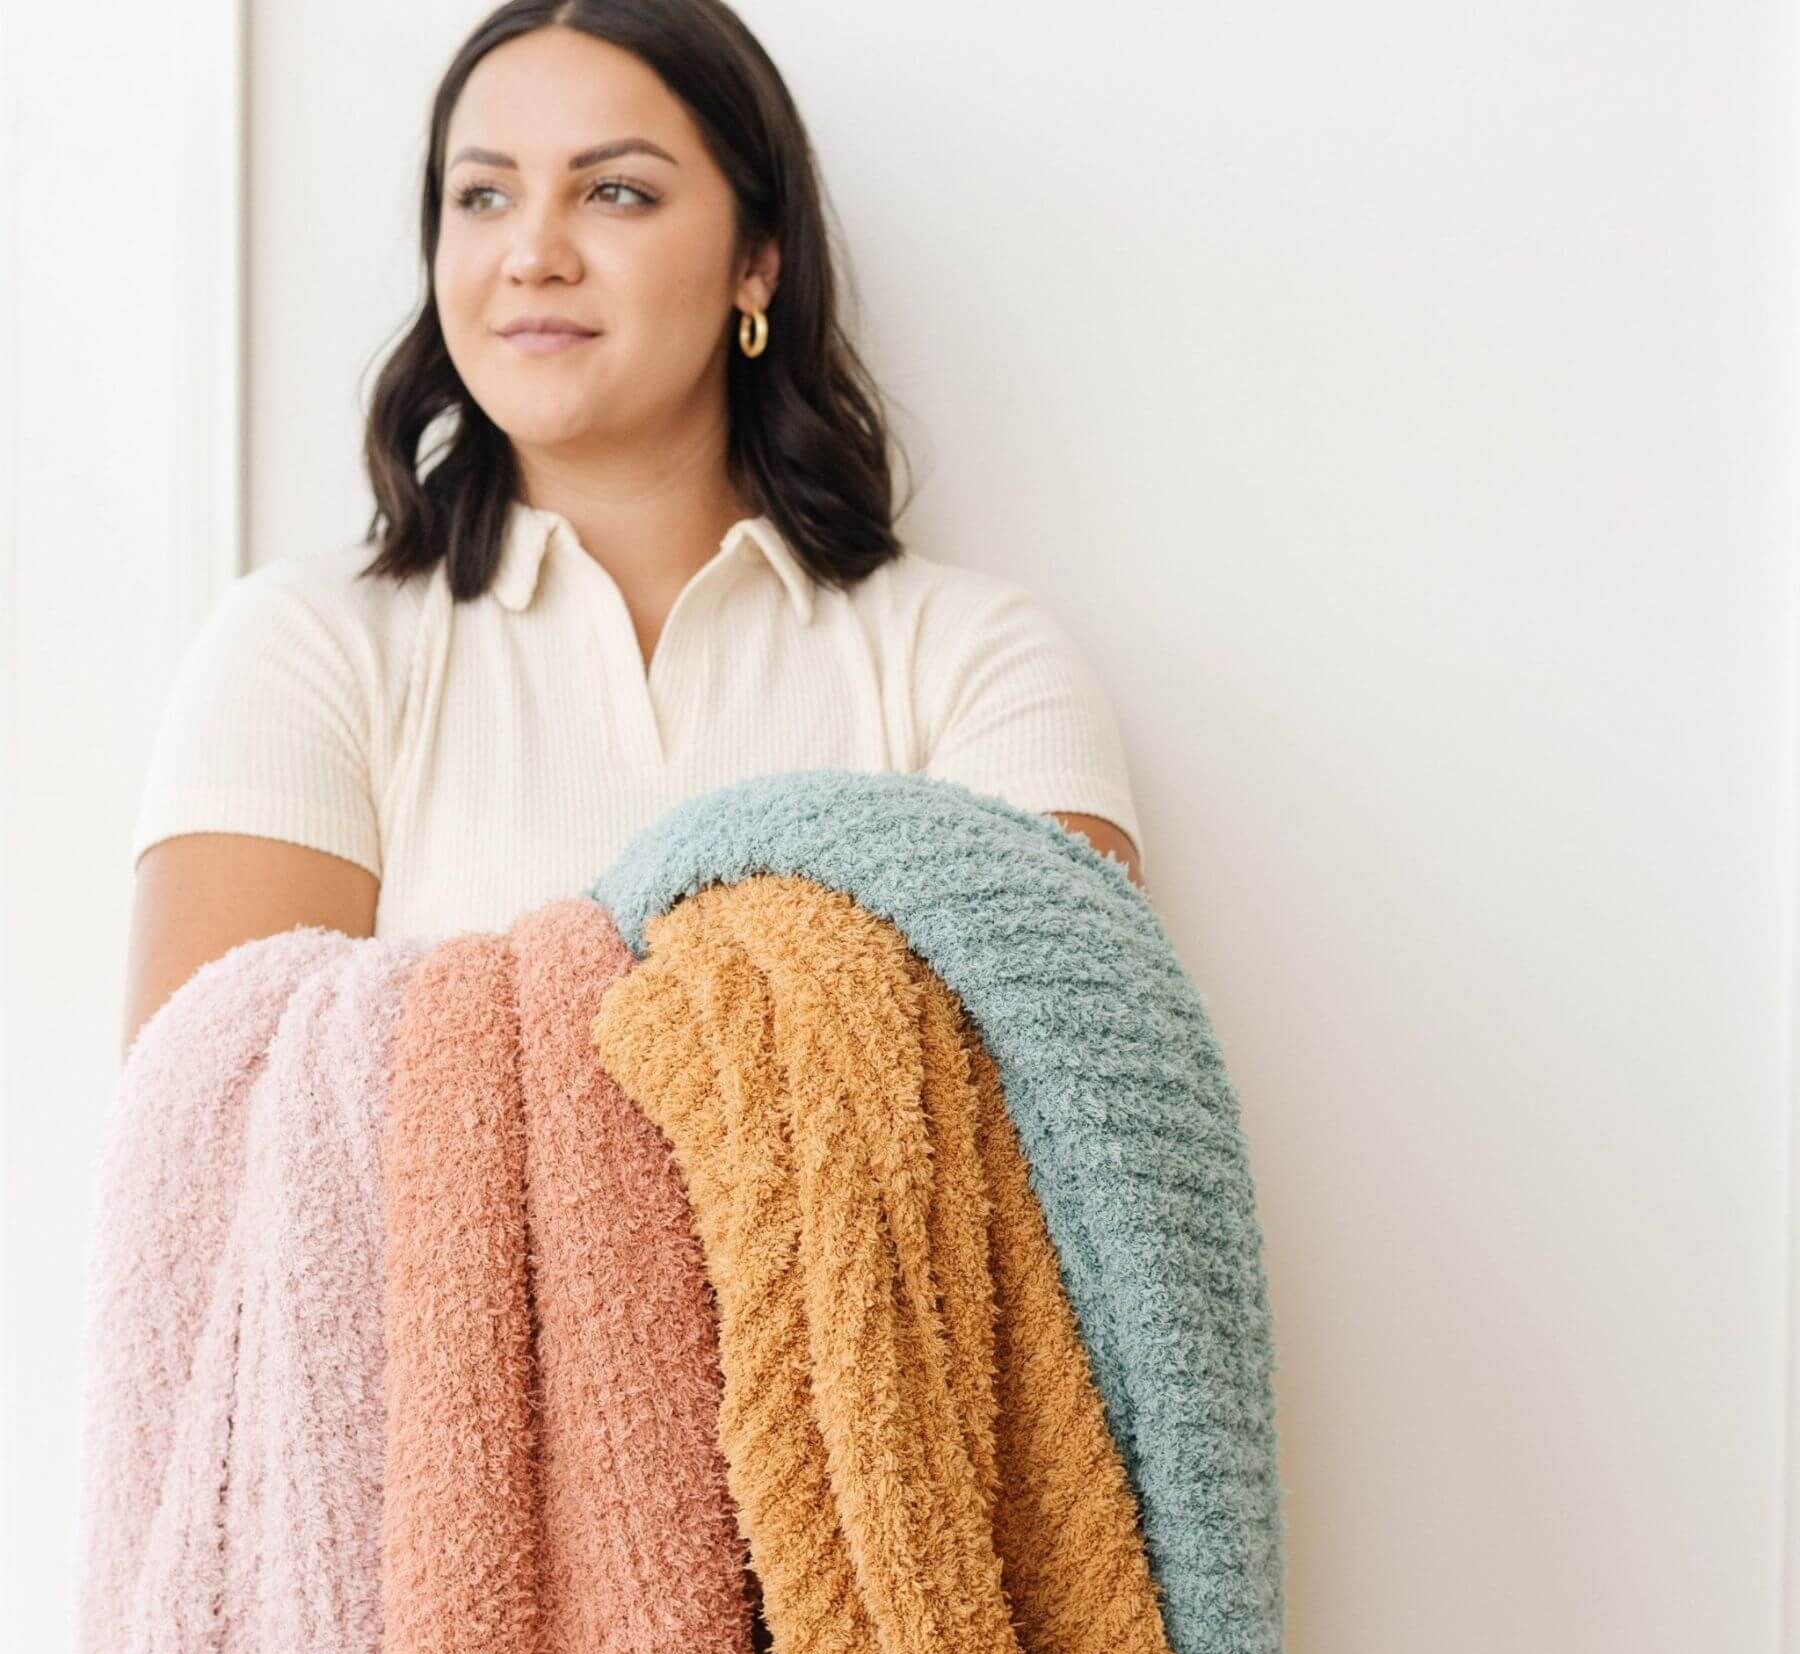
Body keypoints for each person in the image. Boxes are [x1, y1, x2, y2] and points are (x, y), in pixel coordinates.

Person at [120, 0, 1146, 1064]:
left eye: (615, 190)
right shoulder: (305, 647)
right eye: (481, 195)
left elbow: (1064, 1124)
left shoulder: (976, 662)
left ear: (758, 259)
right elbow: (208, 1135)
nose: (531, 253)